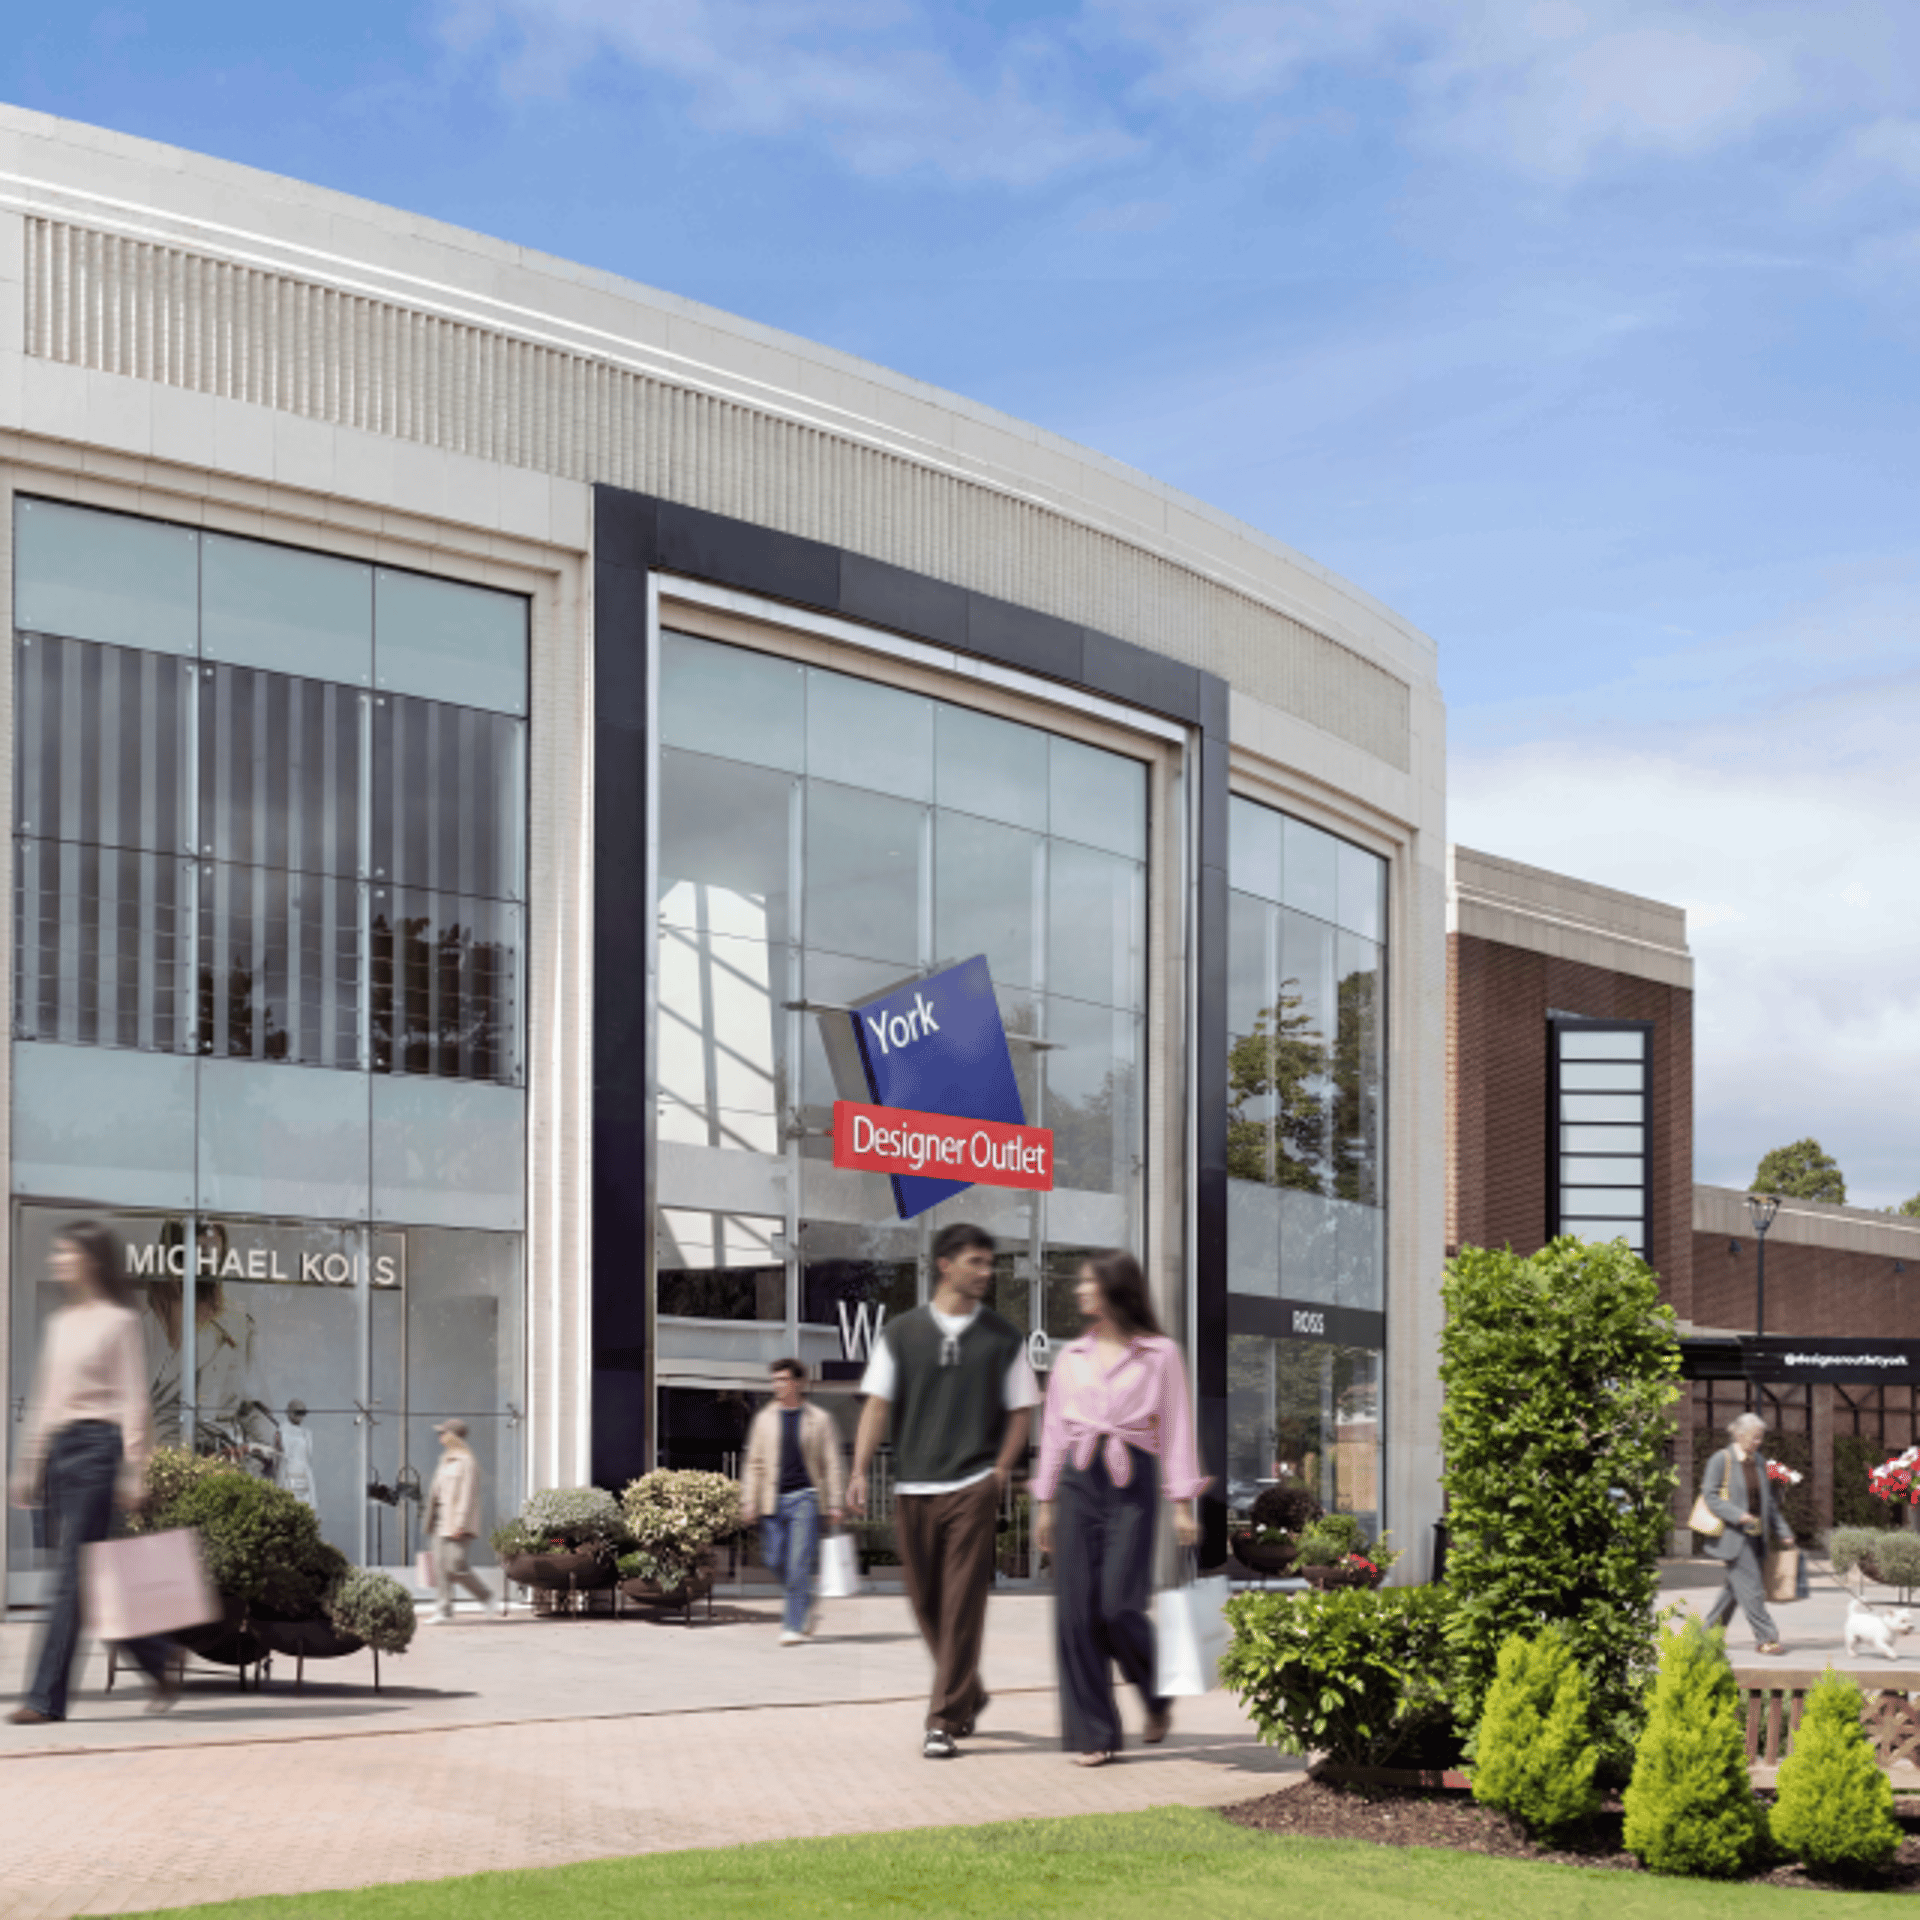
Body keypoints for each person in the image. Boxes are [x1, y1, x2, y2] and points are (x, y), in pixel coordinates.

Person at [849, 1221, 1041, 1760]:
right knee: (926, 1602)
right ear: (945, 1265)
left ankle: (943, 1719)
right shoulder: (901, 1333)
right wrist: (859, 1471)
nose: (986, 1272)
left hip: (972, 1485)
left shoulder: (1004, 1337)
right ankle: (968, 1691)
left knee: (962, 1603)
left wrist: (1000, 1470)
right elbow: (878, 1405)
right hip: (913, 1486)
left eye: (989, 1263)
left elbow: (1023, 1410)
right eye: (975, 1262)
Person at [1034, 1250, 1208, 1765]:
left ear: (1114, 1288)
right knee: (1075, 1613)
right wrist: (1045, 1502)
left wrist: (1182, 1504)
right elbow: (1053, 1431)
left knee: (1117, 1606)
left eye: (1088, 1282)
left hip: (1133, 1478)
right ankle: (1094, 1734)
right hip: (1078, 1479)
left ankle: (1157, 1691)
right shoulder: (1071, 1356)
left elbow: (1176, 1428)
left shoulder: (1160, 1354)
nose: (1080, 1291)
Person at [7, 1221, 178, 1722]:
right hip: (60, 1452)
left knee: (70, 1577)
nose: (58, 1260)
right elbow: (46, 1400)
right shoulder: (61, 1323)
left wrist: (134, 1468)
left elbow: (133, 1399)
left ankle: (44, 1699)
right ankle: (159, 1657)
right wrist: (29, 1462)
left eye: (66, 1252)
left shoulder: (119, 1322)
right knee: (92, 1578)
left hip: (98, 1451)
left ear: (92, 1259)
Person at [740, 1358, 847, 1646]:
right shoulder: (764, 1419)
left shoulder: (819, 1419)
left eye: (783, 1379)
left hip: (805, 1498)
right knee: (774, 1559)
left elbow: (832, 1463)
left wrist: (836, 1502)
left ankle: (793, 1625)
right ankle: (805, 1600)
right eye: (774, 1380)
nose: (777, 1385)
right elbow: (754, 1464)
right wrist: (748, 1500)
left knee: (798, 1562)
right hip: (771, 1500)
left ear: (798, 1383)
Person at [1701, 1410, 1794, 1656]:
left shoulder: (1759, 1461)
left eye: (1761, 1437)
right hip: (1733, 1536)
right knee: (1752, 1587)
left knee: (1734, 1590)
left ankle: (1705, 1637)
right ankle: (1767, 1638)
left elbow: (1768, 1503)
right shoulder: (1720, 1459)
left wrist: (1783, 1531)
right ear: (1739, 1435)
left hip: (1756, 1536)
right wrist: (1736, 1514)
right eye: (1755, 1437)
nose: (1759, 1442)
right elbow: (1710, 1496)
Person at [422, 1419, 503, 1623]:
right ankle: (444, 1610)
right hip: (440, 1521)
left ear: (452, 1436)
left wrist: (460, 1523)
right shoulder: (445, 1460)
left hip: (457, 1523)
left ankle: (486, 1597)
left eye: (442, 1433)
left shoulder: (467, 1461)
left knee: (455, 1565)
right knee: (440, 1567)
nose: (439, 1437)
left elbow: (468, 1496)